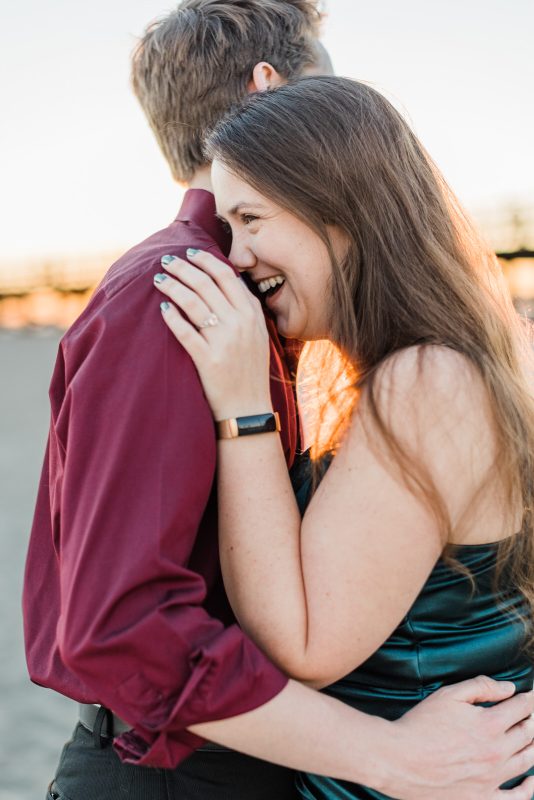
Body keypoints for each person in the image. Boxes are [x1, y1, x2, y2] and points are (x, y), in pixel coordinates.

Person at [23, 2, 534, 798]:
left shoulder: (385, 359)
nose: (239, 247)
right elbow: (122, 628)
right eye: (321, 90)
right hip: (185, 775)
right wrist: (387, 754)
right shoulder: (181, 297)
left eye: (252, 219)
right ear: (268, 99)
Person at [153, 75, 534, 800]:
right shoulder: (480, 353)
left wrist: (243, 408)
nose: (233, 257)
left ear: (338, 210)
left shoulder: (426, 380)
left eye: (250, 218)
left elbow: (304, 645)